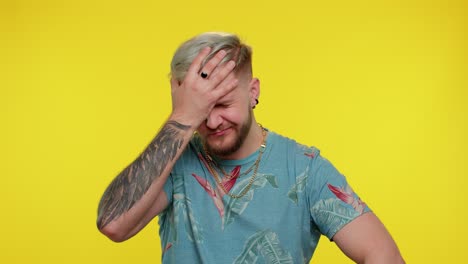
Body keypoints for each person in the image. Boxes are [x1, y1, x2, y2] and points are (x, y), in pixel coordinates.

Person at [97, 32, 405, 263]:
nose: (214, 121)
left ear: (252, 92)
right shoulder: (175, 163)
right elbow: (113, 225)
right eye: (201, 109)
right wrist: (182, 119)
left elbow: (384, 256)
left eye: (224, 104)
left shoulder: (305, 168)